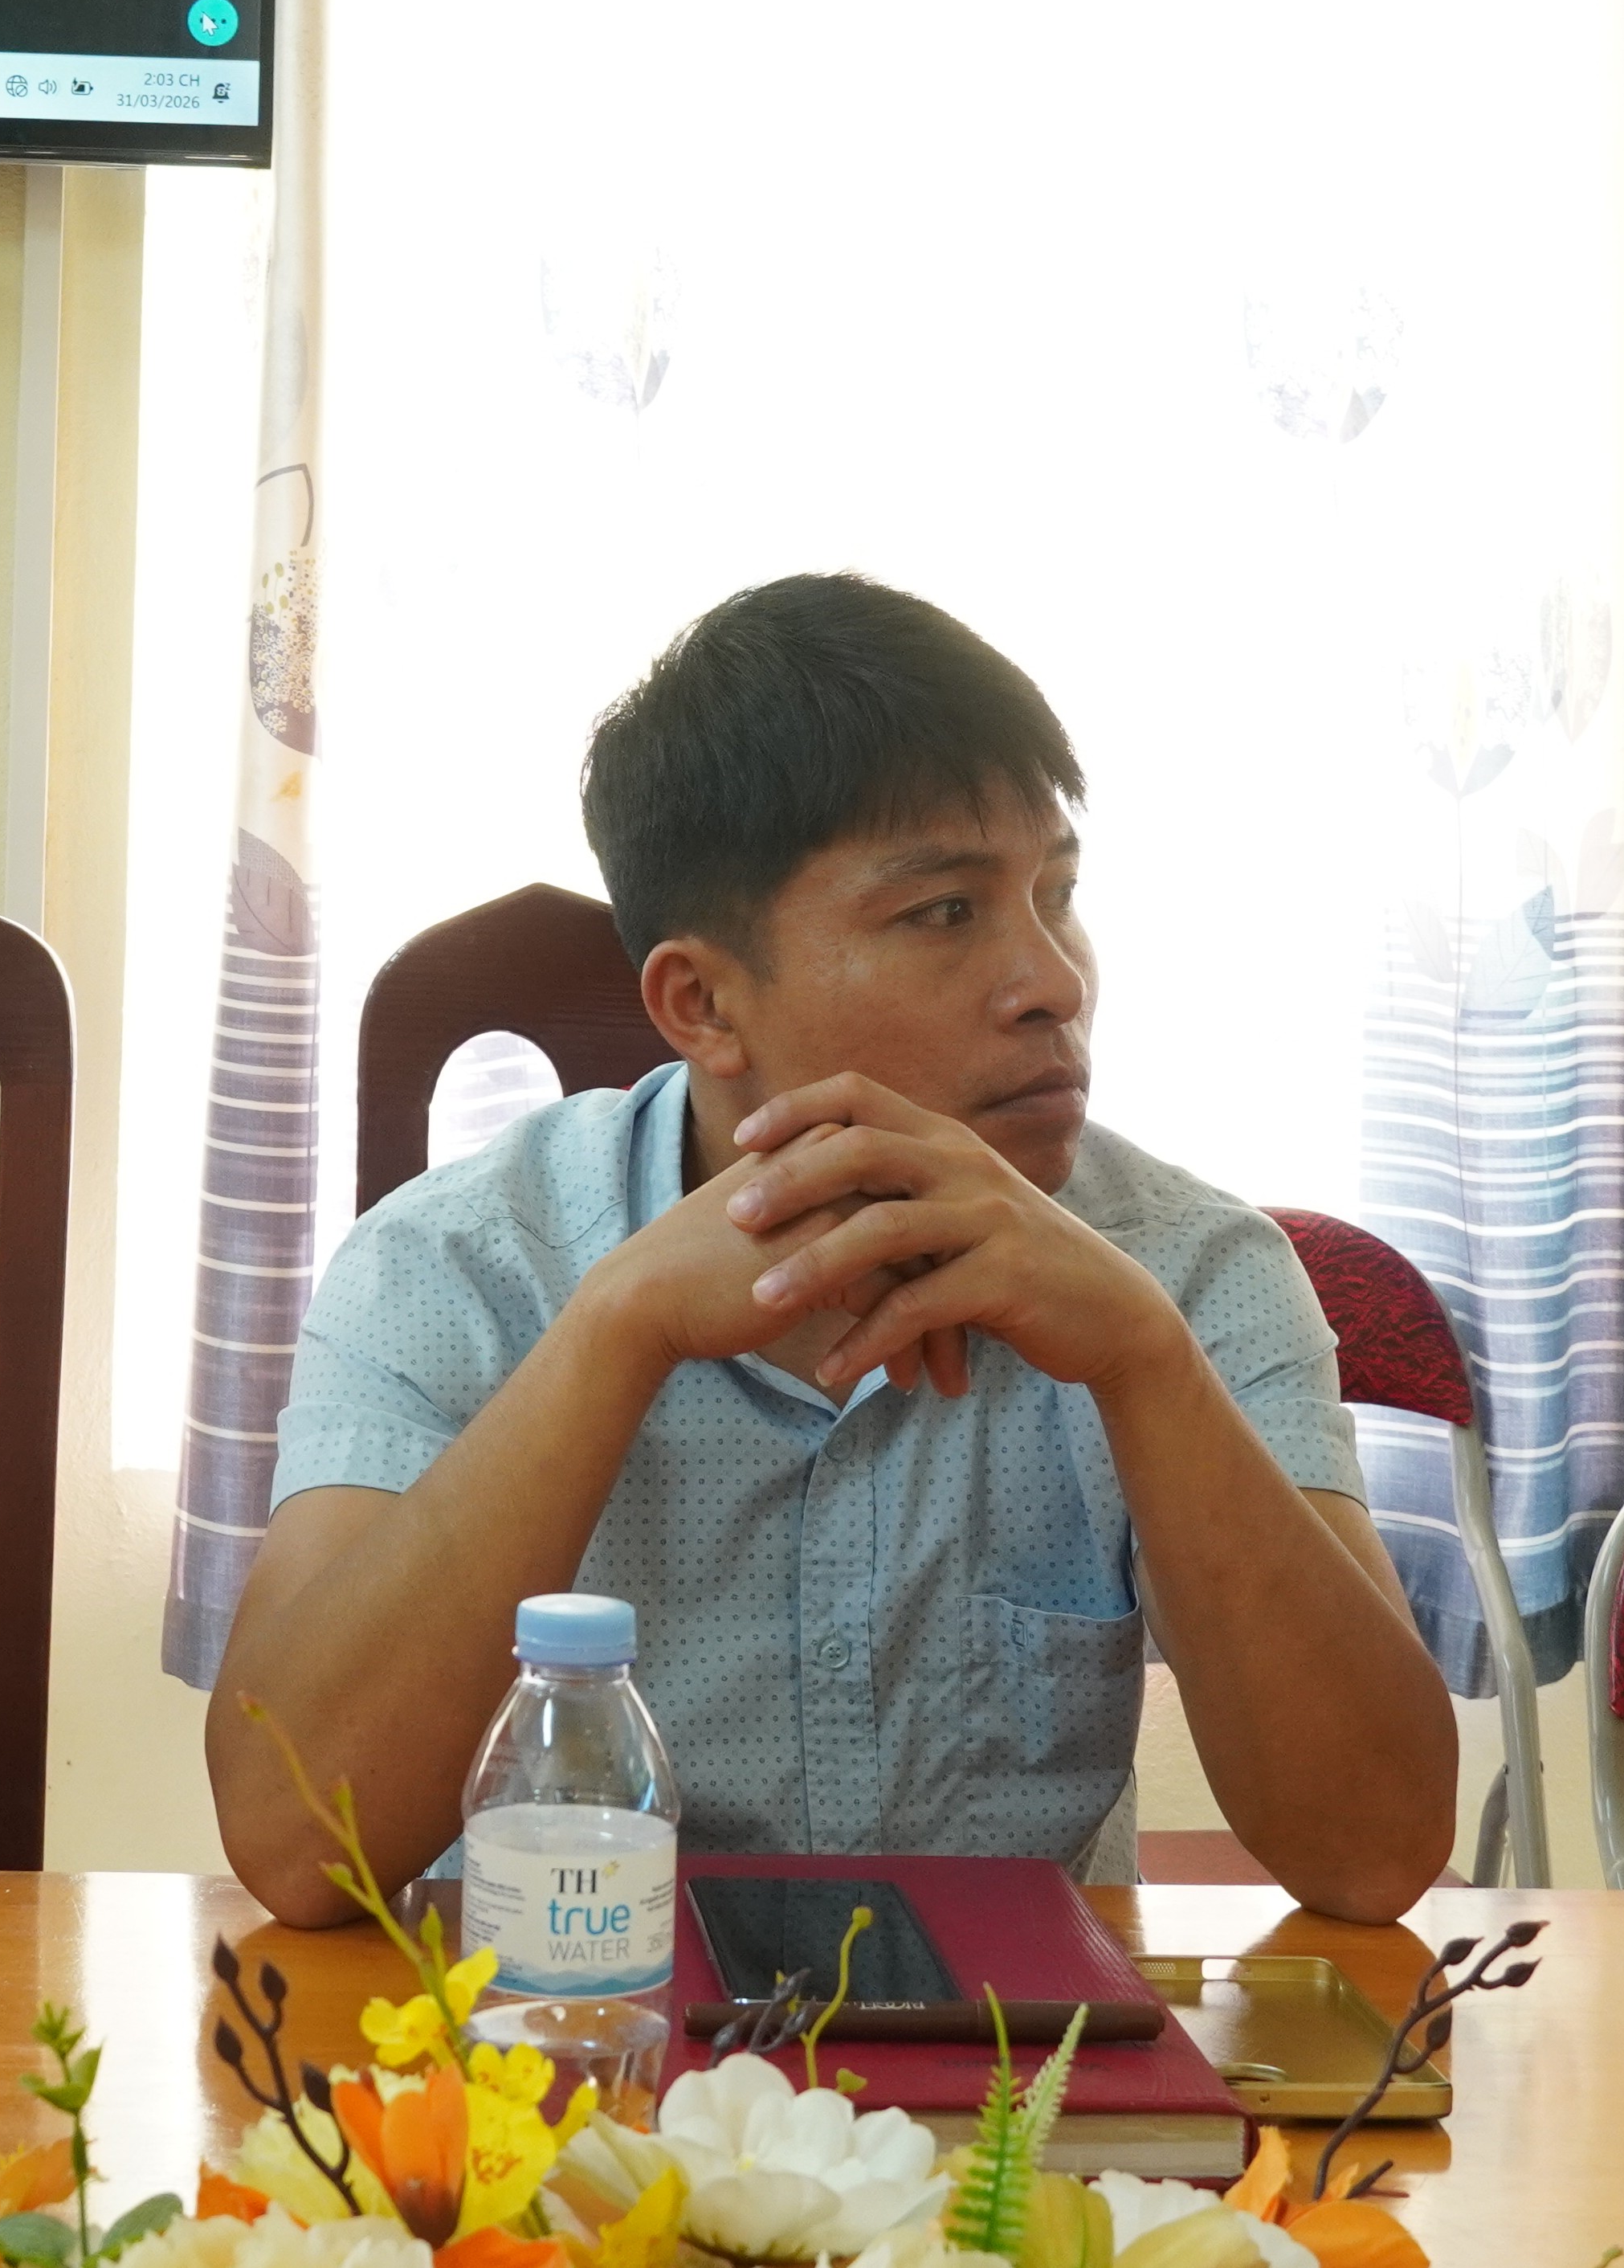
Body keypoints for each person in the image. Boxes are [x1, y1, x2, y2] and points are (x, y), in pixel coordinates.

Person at [206, 576, 1454, 1925]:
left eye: (1057, 893)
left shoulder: (1189, 1273)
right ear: (702, 1001)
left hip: (1014, 2056)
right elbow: (293, 1840)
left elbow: (1374, 1850)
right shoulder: (453, 1265)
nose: (1053, 979)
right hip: (573, 2032)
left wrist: (1147, 1366)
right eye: (944, 911)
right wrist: (615, 1329)